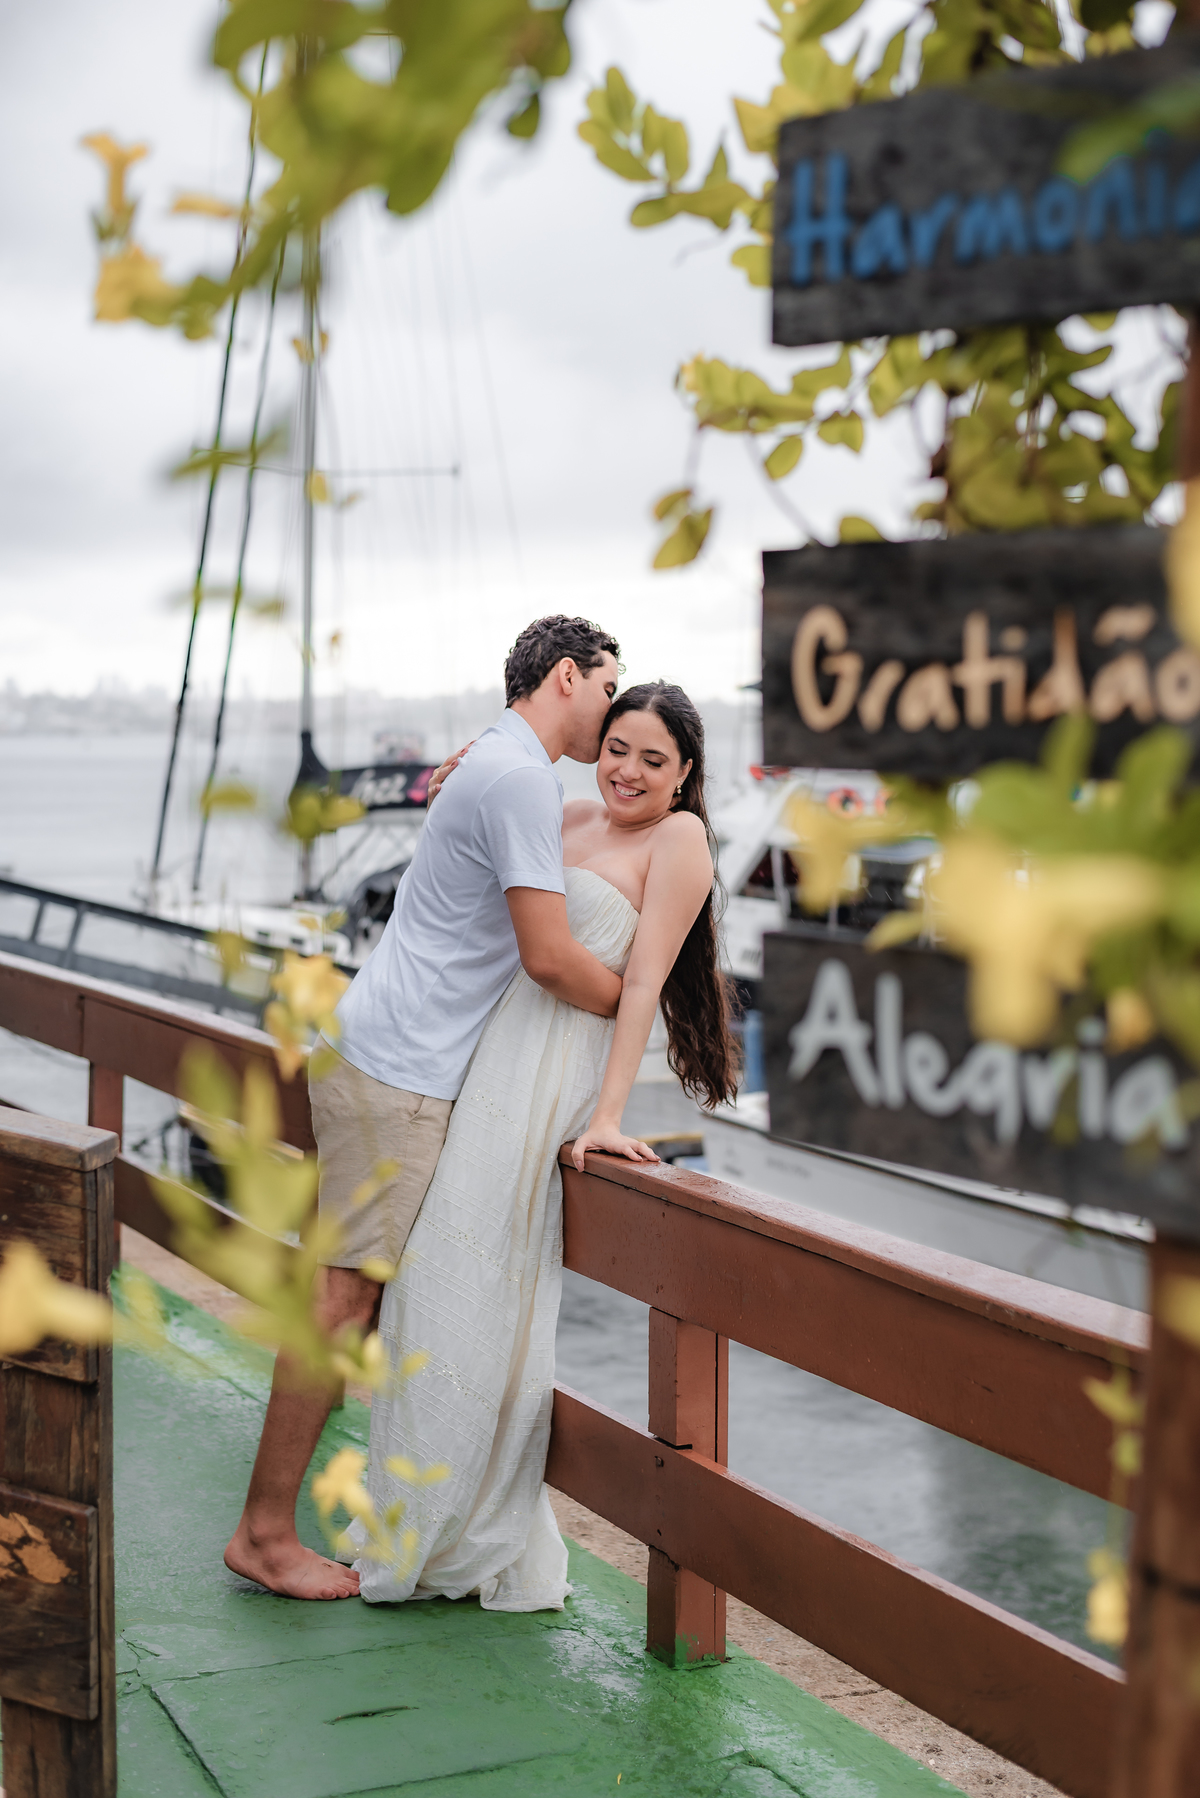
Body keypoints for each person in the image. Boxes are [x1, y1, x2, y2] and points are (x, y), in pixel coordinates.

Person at [224, 616, 622, 1600]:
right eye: (608, 688)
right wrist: (646, 1010)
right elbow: (545, 953)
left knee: (365, 1292)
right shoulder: (519, 774)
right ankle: (266, 1531)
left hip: (378, 1053)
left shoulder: (496, 759)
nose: (611, 708)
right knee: (344, 1297)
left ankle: (374, 1511)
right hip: (399, 1073)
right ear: (567, 676)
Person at [341, 681, 740, 1609]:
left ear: (685, 776)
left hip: (555, 1076)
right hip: (492, 1054)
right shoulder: (562, 810)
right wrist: (454, 772)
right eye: (618, 749)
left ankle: (465, 1525)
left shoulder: (680, 843)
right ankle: (409, 1513)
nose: (629, 771)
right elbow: (498, 852)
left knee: (492, 1282)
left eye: (653, 759)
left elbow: (642, 983)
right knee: (435, 1284)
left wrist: (604, 1117)